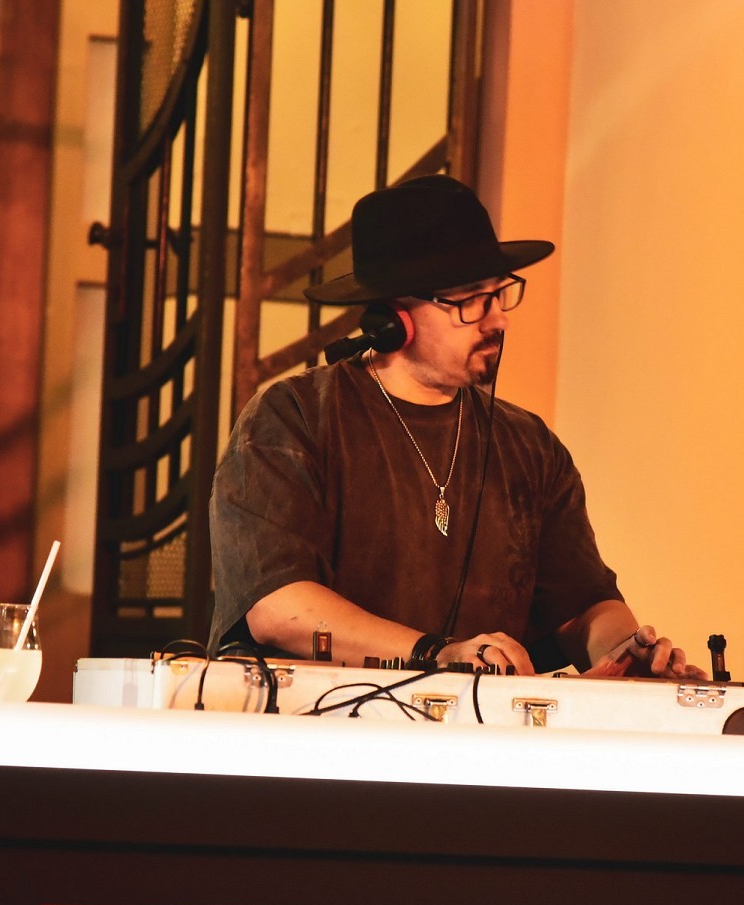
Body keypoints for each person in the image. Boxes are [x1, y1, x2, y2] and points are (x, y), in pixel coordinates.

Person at [209, 174, 700, 679]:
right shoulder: (293, 417)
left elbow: (582, 605)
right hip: (318, 721)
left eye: (499, 295)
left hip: (482, 728)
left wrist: (627, 650)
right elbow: (278, 606)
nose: (498, 320)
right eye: (470, 300)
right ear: (394, 320)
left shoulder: (530, 445)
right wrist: (438, 653)